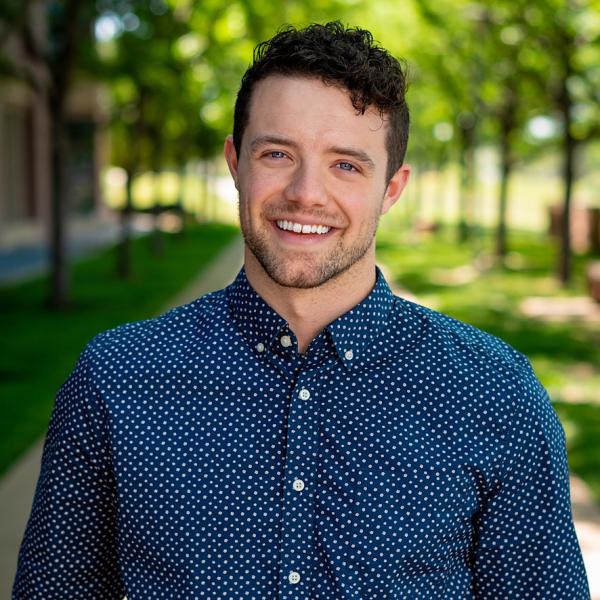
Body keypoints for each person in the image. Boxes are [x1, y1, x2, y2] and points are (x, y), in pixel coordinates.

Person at [13, 21, 590, 600]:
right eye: (277, 153)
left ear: (391, 188)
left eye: (346, 164)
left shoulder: (494, 394)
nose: (306, 193)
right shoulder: (116, 379)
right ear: (235, 162)